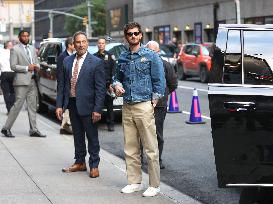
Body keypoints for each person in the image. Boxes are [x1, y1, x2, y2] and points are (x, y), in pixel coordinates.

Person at [113, 22, 166, 197]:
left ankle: (154, 185)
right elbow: (116, 77)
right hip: (127, 105)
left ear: (141, 35)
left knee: (151, 147)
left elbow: (159, 82)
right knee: (130, 147)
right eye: (130, 34)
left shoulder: (151, 56)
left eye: (136, 33)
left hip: (144, 105)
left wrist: (153, 102)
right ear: (126, 37)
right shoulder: (122, 57)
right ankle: (134, 182)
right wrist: (117, 85)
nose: (133, 36)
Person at [56, 31, 105, 178]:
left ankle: (94, 165)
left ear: (87, 43)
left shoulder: (96, 62)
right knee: (77, 136)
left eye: (84, 41)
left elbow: (100, 88)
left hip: (89, 107)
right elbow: (62, 85)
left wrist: (97, 109)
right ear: (74, 44)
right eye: (78, 42)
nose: (81, 44)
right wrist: (59, 105)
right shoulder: (67, 61)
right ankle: (80, 162)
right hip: (72, 104)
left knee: (92, 137)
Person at [1, 30, 46, 138]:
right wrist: (27, 68)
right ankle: (6, 128)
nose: (25, 38)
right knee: (17, 106)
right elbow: (13, 66)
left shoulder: (31, 48)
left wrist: (38, 66)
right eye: (23, 36)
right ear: (19, 37)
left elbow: (36, 61)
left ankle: (34, 130)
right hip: (21, 82)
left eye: (27, 36)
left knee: (32, 106)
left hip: (32, 81)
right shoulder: (15, 49)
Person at [145, 41, 178, 169]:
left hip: (159, 105)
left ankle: (158, 159)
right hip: (143, 104)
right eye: (150, 51)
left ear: (158, 52)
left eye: (155, 51)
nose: (152, 53)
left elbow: (173, 84)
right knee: (142, 132)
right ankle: (142, 158)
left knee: (157, 133)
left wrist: (163, 95)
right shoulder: (143, 65)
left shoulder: (166, 65)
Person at [94, 38, 116, 131]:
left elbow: (114, 71)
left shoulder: (110, 56)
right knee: (97, 105)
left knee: (109, 106)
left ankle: (110, 124)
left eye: (102, 43)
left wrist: (112, 84)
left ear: (105, 44)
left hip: (108, 86)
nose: (101, 45)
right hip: (98, 86)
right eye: (99, 43)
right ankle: (95, 123)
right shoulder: (94, 56)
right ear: (97, 44)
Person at [56, 37, 75, 135]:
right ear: (69, 45)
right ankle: (65, 126)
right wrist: (61, 88)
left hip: (72, 86)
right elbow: (59, 74)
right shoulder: (62, 57)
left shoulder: (74, 56)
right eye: (74, 44)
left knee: (68, 106)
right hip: (65, 86)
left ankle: (64, 126)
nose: (75, 46)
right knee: (66, 106)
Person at [0, 41, 15, 113]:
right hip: (13, 73)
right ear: (8, 46)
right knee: (13, 91)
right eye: (11, 45)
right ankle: (11, 107)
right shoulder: (13, 53)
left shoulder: (1, 52)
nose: (12, 46)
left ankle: (8, 108)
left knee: (5, 92)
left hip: (4, 73)